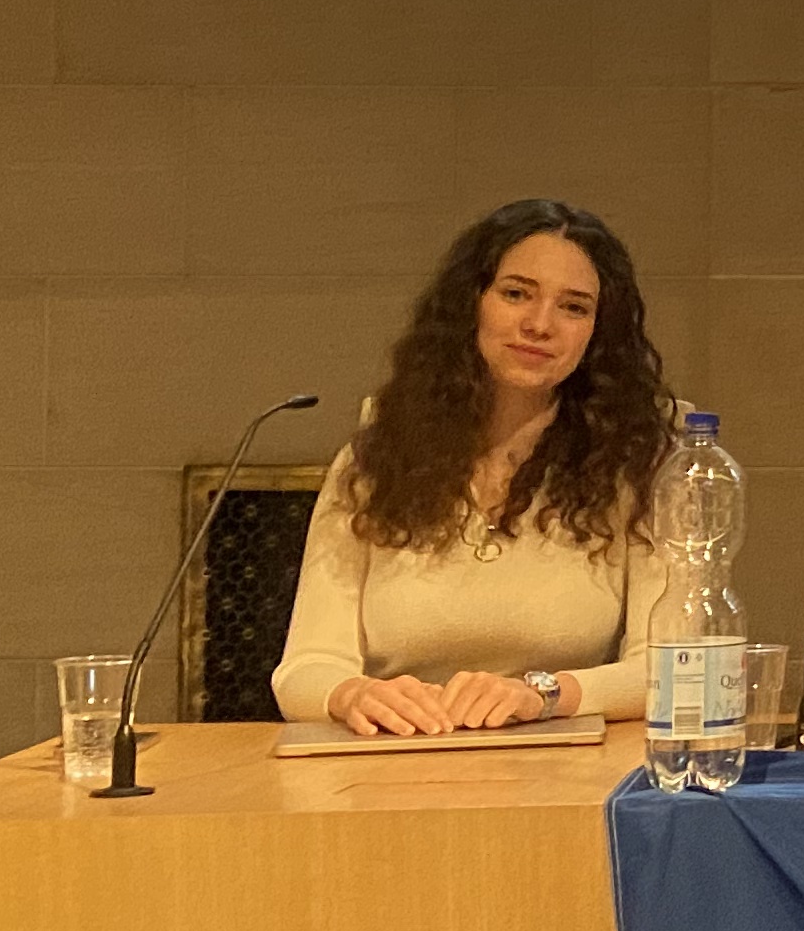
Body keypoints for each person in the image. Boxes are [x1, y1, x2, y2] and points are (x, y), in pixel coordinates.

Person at [274, 199, 674, 734]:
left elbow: (674, 669)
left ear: (598, 332)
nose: (539, 325)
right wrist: (351, 695)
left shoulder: (639, 463)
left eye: (573, 308)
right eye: (516, 294)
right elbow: (304, 669)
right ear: (472, 304)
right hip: (397, 754)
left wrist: (545, 694)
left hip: (560, 756)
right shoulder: (378, 456)